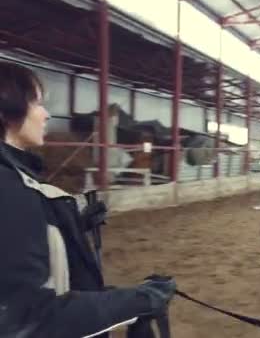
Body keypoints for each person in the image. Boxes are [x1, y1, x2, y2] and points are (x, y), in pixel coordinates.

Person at [0, 61, 176, 338]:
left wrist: (68, 223)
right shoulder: (8, 188)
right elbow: (32, 319)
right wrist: (140, 301)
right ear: (7, 110)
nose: (45, 114)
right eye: (36, 103)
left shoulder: (16, 178)